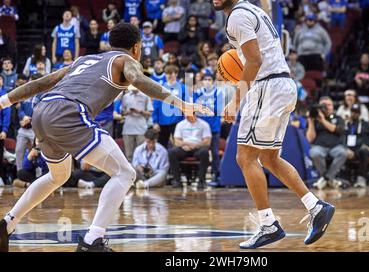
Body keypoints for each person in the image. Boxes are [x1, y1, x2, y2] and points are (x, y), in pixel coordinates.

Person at [0, 23, 211, 252]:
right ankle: (93, 240)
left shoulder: (83, 60)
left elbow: (41, 83)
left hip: (42, 111)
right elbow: (139, 81)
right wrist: (180, 103)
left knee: (57, 177)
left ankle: (8, 223)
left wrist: (2, 102)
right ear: (137, 47)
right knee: (125, 173)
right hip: (68, 112)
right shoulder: (125, 60)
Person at [210, 0, 334, 249]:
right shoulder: (253, 10)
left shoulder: (237, 16)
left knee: (244, 158)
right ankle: (316, 207)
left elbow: (254, 61)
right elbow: (253, 55)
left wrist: (235, 99)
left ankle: (268, 224)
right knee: (268, 158)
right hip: (282, 86)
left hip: (267, 86)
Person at [307, 96, 347, 190]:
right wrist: (311, 122)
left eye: (329, 105)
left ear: (333, 106)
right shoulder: (315, 119)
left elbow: (336, 130)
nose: (326, 107)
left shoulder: (338, 118)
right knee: (314, 152)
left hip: (336, 146)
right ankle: (330, 179)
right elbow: (310, 138)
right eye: (324, 105)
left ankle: (325, 178)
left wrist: (323, 121)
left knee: (343, 153)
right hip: (319, 146)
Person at [194, 73, 224, 184]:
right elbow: (194, 107)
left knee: (215, 153)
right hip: (200, 128)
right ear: (202, 81)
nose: (207, 81)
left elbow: (219, 109)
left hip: (214, 128)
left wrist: (203, 108)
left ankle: (217, 175)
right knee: (202, 152)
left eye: (209, 79)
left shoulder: (218, 93)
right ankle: (200, 177)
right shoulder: (197, 93)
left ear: (213, 81)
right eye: (205, 79)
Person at [168, 114, 211, 189]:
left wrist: (196, 145)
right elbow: (176, 141)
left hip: (198, 147)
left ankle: (201, 181)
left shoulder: (204, 124)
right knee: (172, 152)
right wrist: (185, 144)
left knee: (205, 152)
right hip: (184, 147)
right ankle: (177, 180)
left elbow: (207, 141)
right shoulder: (180, 124)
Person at [345, 104, 369, 188]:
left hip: (362, 150)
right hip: (349, 150)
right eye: (353, 112)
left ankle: (361, 178)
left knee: (363, 151)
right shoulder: (347, 125)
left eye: (356, 112)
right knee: (340, 151)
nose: (354, 114)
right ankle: (342, 178)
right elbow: (342, 138)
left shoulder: (366, 125)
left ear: (360, 114)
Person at [152, 65, 187, 148]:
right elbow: (156, 106)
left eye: (172, 73)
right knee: (161, 145)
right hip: (162, 121)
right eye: (168, 73)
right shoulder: (160, 88)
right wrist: (155, 122)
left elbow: (186, 104)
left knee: (178, 145)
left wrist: (185, 119)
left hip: (177, 120)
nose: (170, 76)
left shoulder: (182, 87)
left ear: (176, 74)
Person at [121, 85, 153, 161]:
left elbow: (150, 112)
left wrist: (140, 111)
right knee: (128, 155)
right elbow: (122, 112)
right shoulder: (125, 96)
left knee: (142, 154)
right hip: (128, 128)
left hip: (141, 129)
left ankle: (141, 171)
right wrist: (127, 112)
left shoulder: (145, 96)